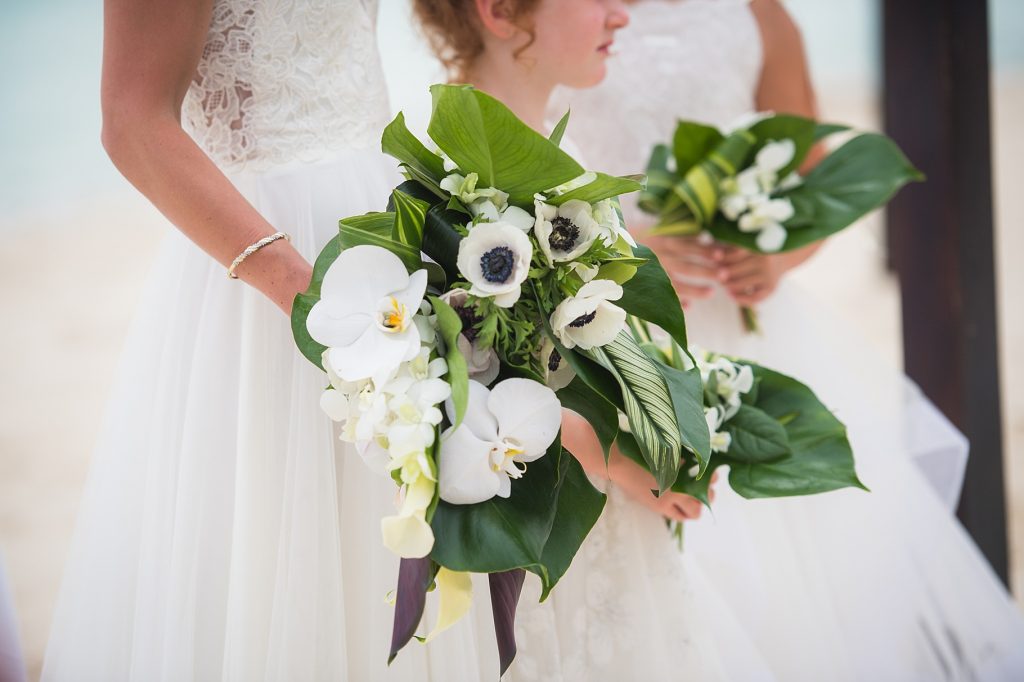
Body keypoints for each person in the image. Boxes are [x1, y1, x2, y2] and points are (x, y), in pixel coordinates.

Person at [550, 0, 1024, 679]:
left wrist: (774, 258)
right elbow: (522, 178)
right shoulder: (561, 16)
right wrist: (624, 251)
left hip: (748, 330)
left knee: (809, 583)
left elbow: (813, 177)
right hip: (613, 328)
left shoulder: (756, 12)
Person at [42, 1, 499, 679]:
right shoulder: (297, 284)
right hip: (274, 260)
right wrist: (312, 298)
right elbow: (132, 119)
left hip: (386, 221)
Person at [412, 1, 777, 679]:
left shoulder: (550, 141)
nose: (621, 14)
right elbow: (476, 378)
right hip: (547, 504)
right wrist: (621, 461)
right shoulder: (458, 167)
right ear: (500, 11)